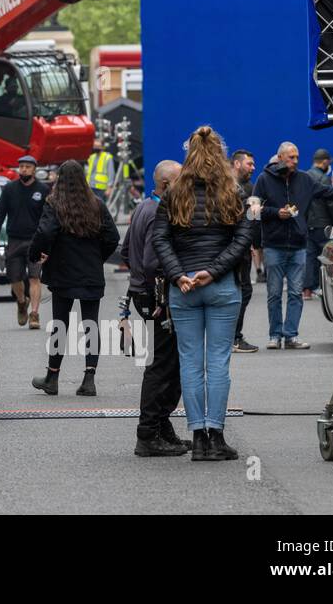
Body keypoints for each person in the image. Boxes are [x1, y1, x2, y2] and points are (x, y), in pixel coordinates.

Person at [152, 126, 253, 461]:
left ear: (189, 153)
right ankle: (216, 437)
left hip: (183, 289)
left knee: (190, 363)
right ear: (219, 153)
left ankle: (197, 438)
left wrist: (179, 274)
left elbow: (160, 239)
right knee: (219, 363)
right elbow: (242, 239)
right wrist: (215, 270)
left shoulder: (174, 192)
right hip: (221, 285)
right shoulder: (231, 190)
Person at [252, 142, 333, 349]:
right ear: (280, 157)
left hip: (299, 245)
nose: (296, 161)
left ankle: (290, 336)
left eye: (297, 157)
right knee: (274, 294)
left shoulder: (305, 180)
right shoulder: (263, 180)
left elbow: (330, 193)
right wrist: (275, 213)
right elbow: (252, 212)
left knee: (295, 294)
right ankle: (274, 336)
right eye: (291, 157)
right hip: (274, 245)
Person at [29, 160, 120, 397]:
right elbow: (113, 236)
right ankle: (89, 379)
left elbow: (45, 231)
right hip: (90, 273)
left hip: (62, 272)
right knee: (91, 325)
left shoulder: (55, 204)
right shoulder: (96, 205)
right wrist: (97, 257)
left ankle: (53, 376)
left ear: (60, 179)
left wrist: (37, 254)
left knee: (60, 325)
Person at [121, 158, 188, 456]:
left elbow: (125, 251)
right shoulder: (160, 210)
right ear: (166, 184)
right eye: (180, 180)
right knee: (162, 366)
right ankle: (148, 433)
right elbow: (151, 261)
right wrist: (160, 295)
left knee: (168, 364)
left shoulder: (142, 207)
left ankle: (160, 426)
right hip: (155, 297)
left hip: (143, 293)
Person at [0, 155, 49, 328]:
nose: (24, 169)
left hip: (35, 241)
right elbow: (0, 213)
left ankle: (35, 314)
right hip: (14, 240)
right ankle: (22, 302)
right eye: (21, 166)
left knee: (34, 277)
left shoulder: (43, 190)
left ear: (34, 169)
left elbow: (48, 218)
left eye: (27, 167)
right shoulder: (9, 189)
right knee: (15, 278)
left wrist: (48, 241)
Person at [230, 149, 259, 353]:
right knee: (237, 292)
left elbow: (250, 219)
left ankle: (233, 337)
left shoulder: (248, 187)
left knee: (244, 292)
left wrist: (254, 211)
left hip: (243, 248)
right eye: (249, 164)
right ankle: (233, 338)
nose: (253, 167)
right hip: (230, 249)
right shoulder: (225, 186)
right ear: (237, 164)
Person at [303, 149, 333, 301]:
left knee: (309, 256)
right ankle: (324, 287)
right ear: (324, 162)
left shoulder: (304, 177)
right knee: (327, 256)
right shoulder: (323, 178)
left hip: (308, 223)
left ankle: (306, 290)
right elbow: (330, 202)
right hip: (323, 223)